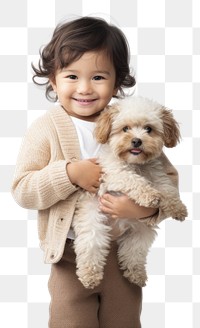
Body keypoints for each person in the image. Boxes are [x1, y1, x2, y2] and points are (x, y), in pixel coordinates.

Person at [11, 16, 178, 328]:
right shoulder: (46, 128)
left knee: (124, 321)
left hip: (122, 250)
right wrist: (70, 173)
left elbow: (166, 180)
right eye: (72, 76)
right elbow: (23, 188)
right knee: (69, 321)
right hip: (70, 254)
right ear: (53, 80)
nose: (85, 88)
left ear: (117, 82)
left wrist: (143, 209)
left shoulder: (129, 123)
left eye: (99, 77)